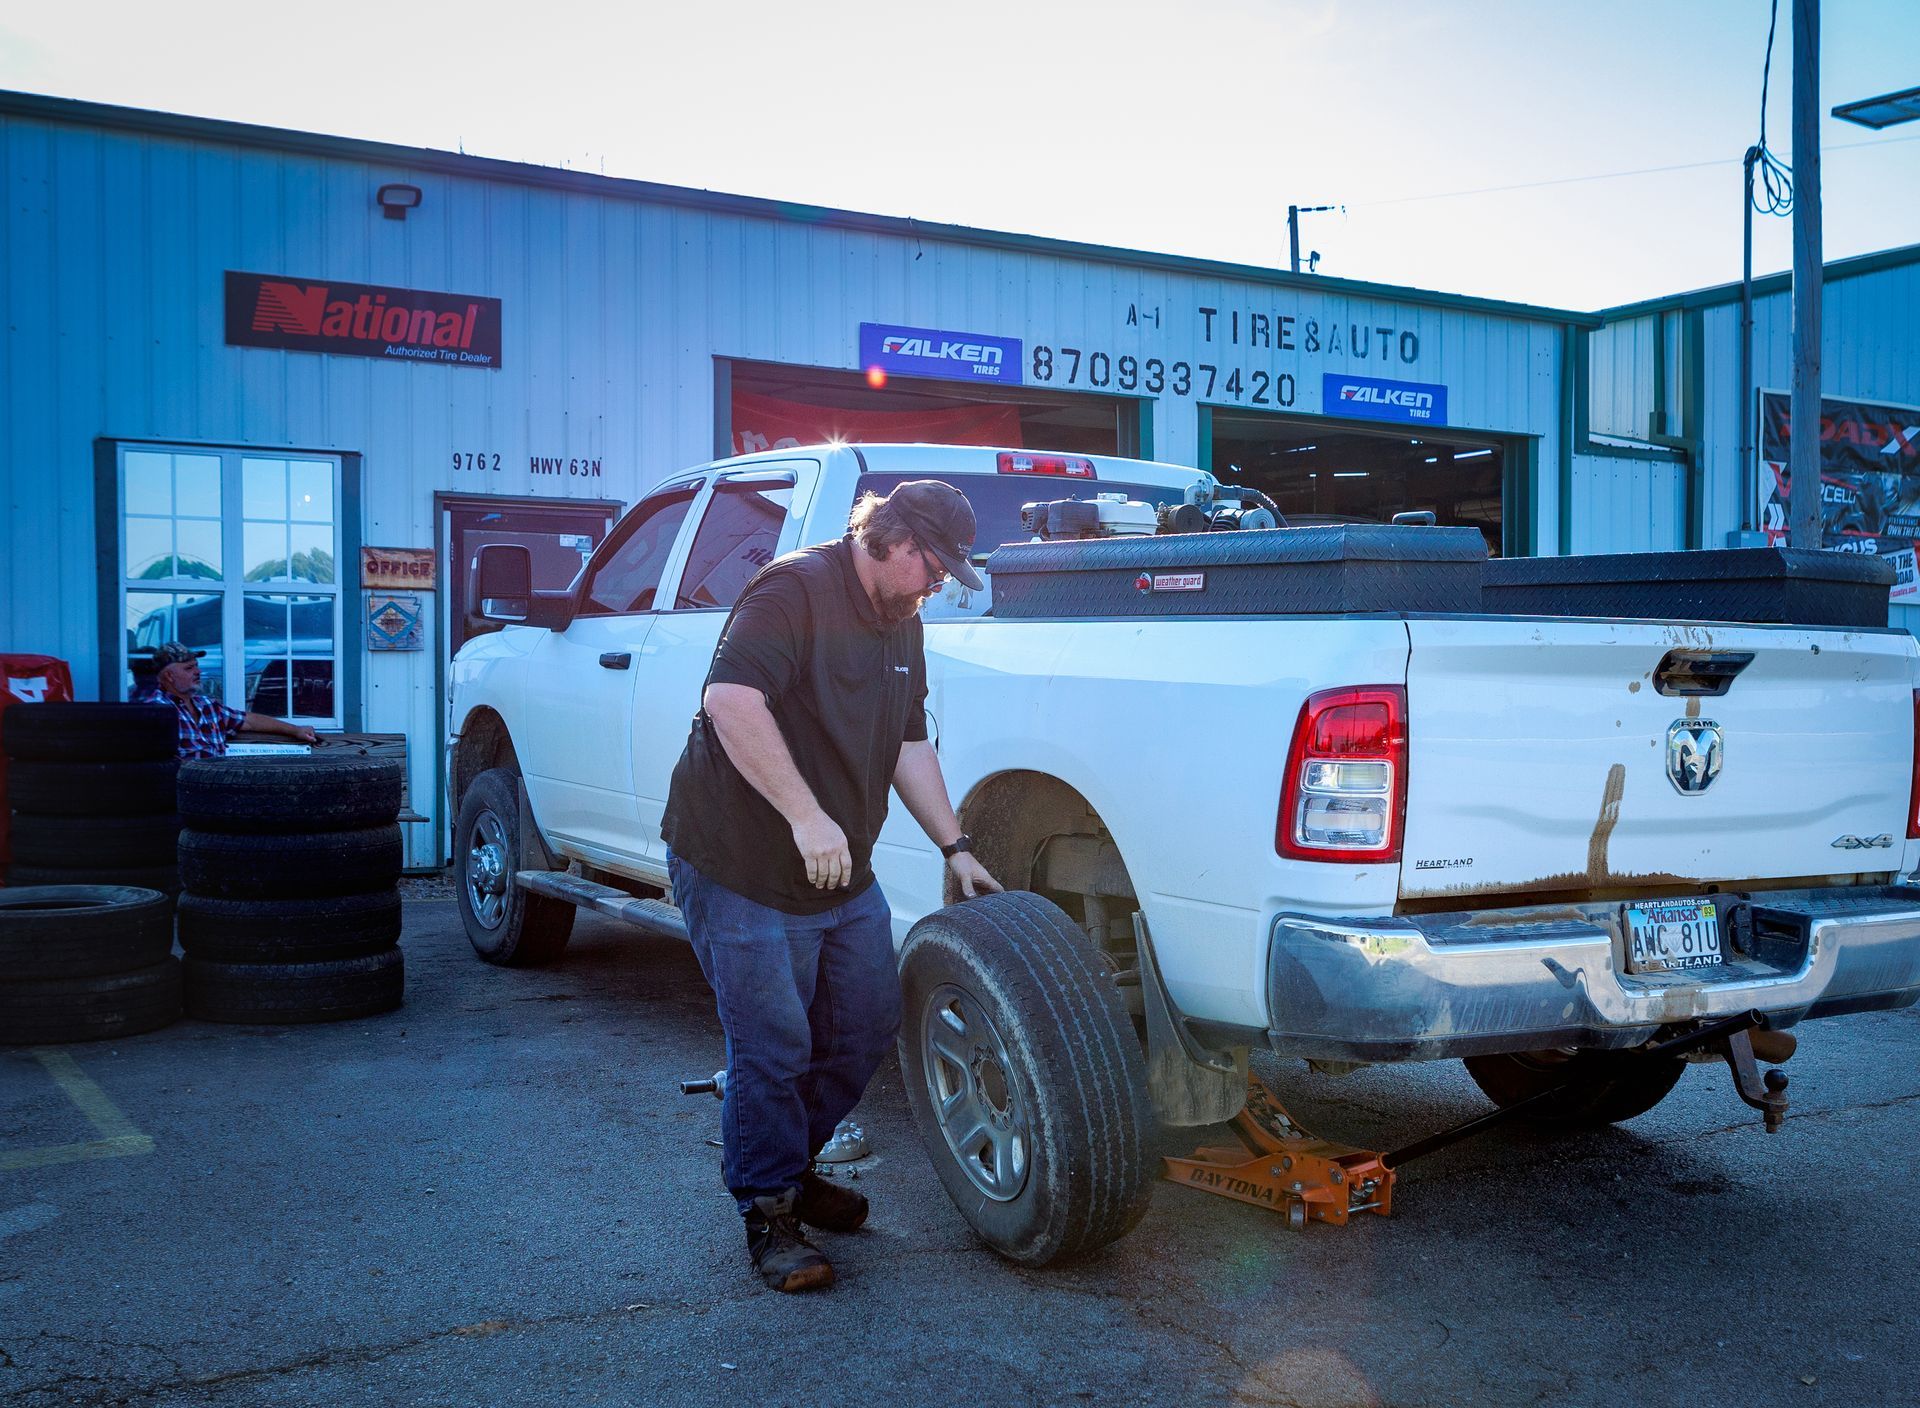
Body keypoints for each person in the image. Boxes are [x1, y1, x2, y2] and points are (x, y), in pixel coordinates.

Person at [662, 479, 1003, 1293]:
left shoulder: (901, 623)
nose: (934, 585)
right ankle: (770, 1214)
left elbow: (907, 741)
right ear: (893, 538)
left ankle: (793, 1165)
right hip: (738, 857)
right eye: (931, 566)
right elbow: (731, 702)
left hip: (839, 866)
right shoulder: (794, 589)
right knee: (773, 1043)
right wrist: (806, 815)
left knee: (864, 1024)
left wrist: (956, 845)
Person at [131, 642, 319, 759]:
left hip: (220, 788)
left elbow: (249, 721)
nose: (198, 672)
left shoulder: (207, 706)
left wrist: (296, 730)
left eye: (197, 666)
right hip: (183, 794)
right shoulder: (154, 710)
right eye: (189, 668)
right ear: (169, 676)